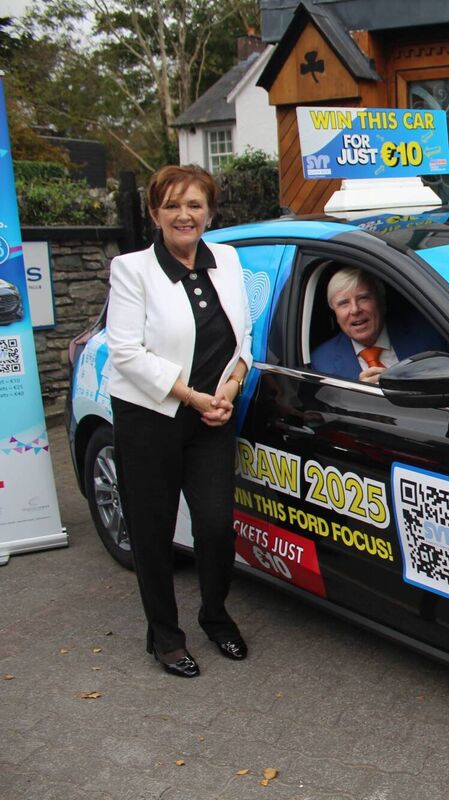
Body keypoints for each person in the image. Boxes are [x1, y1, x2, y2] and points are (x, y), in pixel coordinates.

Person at [105, 165, 252, 678]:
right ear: (154, 213)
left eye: (194, 204)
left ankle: (215, 614)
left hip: (212, 414)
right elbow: (124, 351)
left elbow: (243, 338)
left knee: (215, 526)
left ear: (210, 211)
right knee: (153, 530)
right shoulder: (132, 269)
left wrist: (230, 387)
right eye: (172, 205)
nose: (184, 214)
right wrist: (193, 396)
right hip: (151, 417)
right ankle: (164, 635)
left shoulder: (229, 261)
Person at [310, 266, 447, 383]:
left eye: (363, 298)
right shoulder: (322, 363)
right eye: (343, 303)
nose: (355, 310)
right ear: (335, 313)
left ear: (381, 302)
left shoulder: (427, 335)